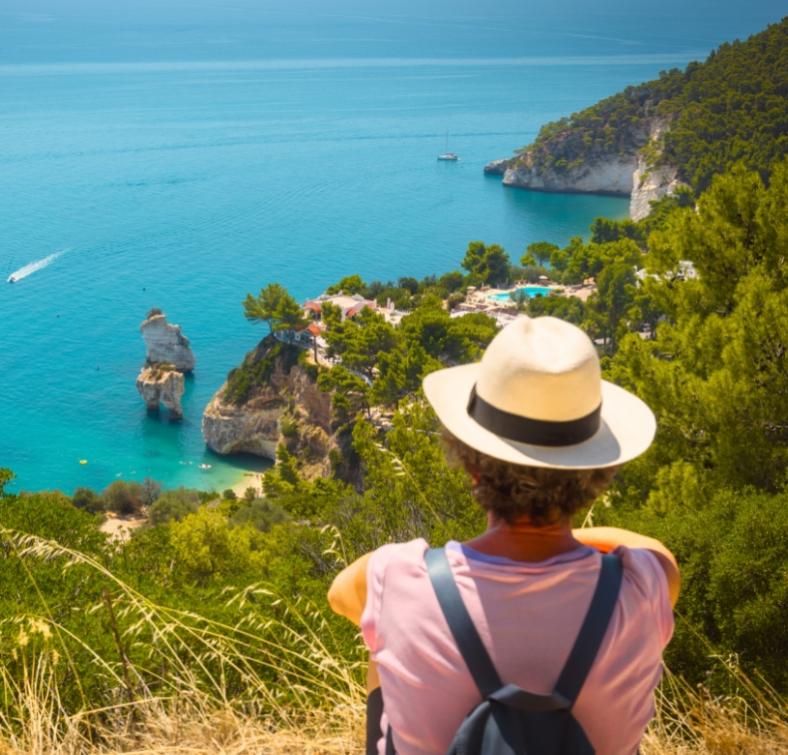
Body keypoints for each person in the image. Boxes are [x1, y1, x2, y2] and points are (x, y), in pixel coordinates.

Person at [328, 316, 680, 755]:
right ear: (596, 473)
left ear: (472, 462)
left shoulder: (397, 578)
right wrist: (567, 544)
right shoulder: (642, 585)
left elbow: (340, 595)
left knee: (379, 652)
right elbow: (655, 550)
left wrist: (469, 555)